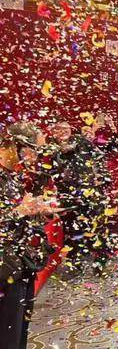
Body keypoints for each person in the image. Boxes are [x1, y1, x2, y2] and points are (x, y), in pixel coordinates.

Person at [0, 122, 58, 349]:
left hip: (21, 266)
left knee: (17, 336)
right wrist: (19, 212)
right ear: (14, 145)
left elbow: (20, 218)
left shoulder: (12, 177)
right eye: (33, 150)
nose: (35, 157)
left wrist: (40, 213)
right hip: (5, 272)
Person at [50, 121, 102, 272]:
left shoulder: (81, 141)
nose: (63, 131)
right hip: (66, 194)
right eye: (59, 129)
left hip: (88, 190)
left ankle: (99, 259)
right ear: (53, 132)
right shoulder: (50, 148)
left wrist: (100, 177)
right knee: (72, 229)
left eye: (66, 128)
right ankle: (74, 262)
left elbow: (98, 156)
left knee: (94, 224)